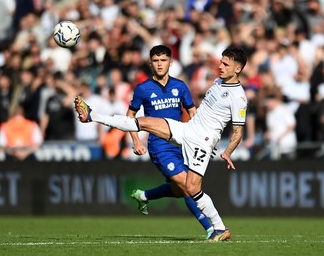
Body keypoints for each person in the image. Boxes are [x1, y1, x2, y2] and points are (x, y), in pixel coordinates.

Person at [74, 46, 248, 242]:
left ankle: (219, 228)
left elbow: (238, 131)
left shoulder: (239, 98)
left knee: (190, 188)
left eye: (225, 64)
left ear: (238, 68)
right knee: (146, 122)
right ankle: (92, 115)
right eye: (221, 62)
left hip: (202, 140)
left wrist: (228, 151)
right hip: (187, 130)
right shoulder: (218, 82)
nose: (220, 66)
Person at [125, 45, 213, 238]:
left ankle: (143, 196)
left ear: (170, 62)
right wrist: (137, 141)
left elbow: (192, 112)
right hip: (159, 145)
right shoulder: (143, 89)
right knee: (186, 184)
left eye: (163, 60)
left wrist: (199, 137)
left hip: (181, 142)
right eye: (156, 61)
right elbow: (130, 115)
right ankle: (211, 228)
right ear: (150, 63)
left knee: (180, 189)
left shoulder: (180, 86)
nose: (159, 64)